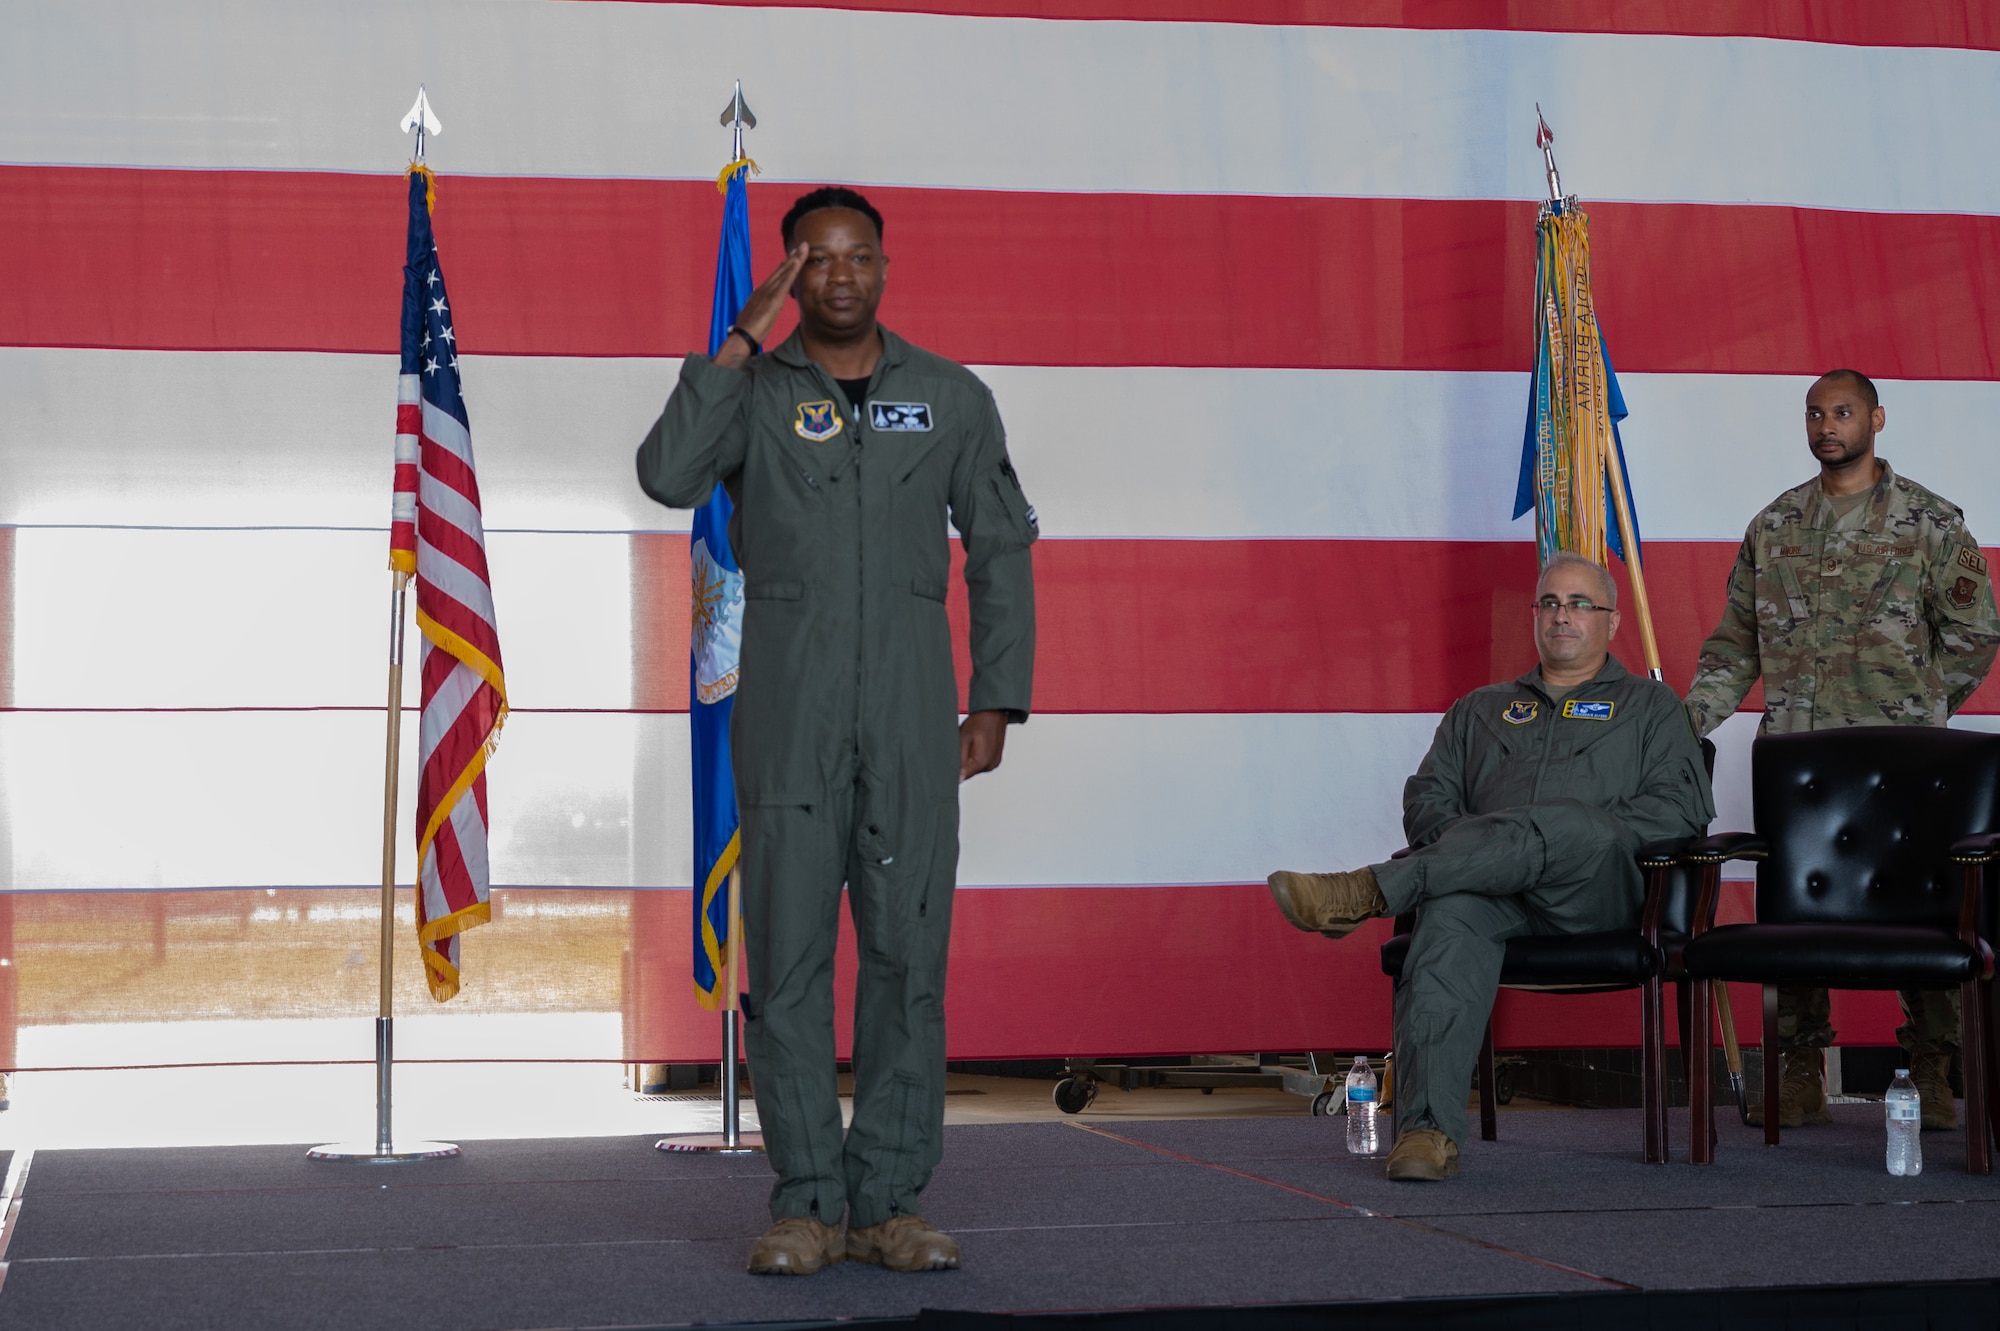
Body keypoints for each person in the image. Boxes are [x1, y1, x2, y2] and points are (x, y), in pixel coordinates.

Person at [637, 187, 1038, 1273]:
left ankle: (890, 1201)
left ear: (885, 268)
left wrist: (995, 695)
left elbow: (999, 545)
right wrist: (735, 338)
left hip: (911, 712)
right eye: (816, 260)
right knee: (793, 962)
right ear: (789, 277)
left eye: (859, 256)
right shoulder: (752, 393)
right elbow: (665, 475)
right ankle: (807, 1201)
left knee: (909, 960)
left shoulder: (947, 396)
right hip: (789, 711)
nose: (841, 276)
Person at [1266, 554, 1713, 1180]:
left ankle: (1368, 891)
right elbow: (1426, 798)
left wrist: (1587, 832)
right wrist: (1480, 850)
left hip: (1600, 893)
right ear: (1535, 617)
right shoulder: (1481, 709)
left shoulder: (1653, 708)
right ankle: (1425, 1134)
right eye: (1550, 603)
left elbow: (1679, 811)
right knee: (1449, 914)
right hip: (1493, 896)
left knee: (1568, 821)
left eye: (1581, 603)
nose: (1563, 615)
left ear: (1613, 623)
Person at [1684, 369, 1999, 1132]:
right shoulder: (1776, 525)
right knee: (1794, 909)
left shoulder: (1928, 520)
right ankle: (1798, 1072)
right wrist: (1685, 724)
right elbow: (1735, 645)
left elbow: (1974, 635)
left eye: (1844, 412)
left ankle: (1932, 1069)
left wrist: (1917, 714)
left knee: (1928, 905)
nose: (1829, 425)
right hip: (1800, 755)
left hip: (1908, 761)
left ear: (1877, 419)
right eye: (1816, 414)